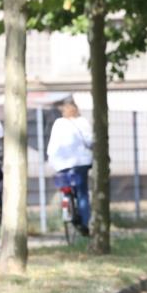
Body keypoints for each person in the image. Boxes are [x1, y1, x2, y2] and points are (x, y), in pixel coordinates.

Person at [47, 98, 94, 236]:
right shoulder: (83, 122)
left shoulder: (58, 123)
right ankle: (84, 223)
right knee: (82, 193)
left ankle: (67, 207)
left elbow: (52, 146)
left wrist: (52, 161)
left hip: (62, 164)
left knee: (66, 189)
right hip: (81, 163)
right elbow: (90, 141)